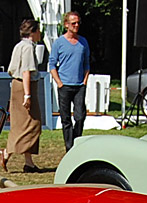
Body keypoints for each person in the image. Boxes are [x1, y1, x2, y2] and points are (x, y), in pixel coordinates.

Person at [0, 19, 43, 173]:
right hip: (24, 86)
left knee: (22, 123)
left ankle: (29, 163)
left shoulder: (20, 45)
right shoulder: (28, 48)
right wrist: (28, 95)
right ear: (33, 32)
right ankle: (7, 153)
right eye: (38, 30)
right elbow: (26, 71)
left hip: (18, 86)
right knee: (33, 124)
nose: (40, 33)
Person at [49, 11, 91, 150]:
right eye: (73, 23)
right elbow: (52, 65)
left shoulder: (83, 42)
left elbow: (86, 64)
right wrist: (59, 83)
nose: (76, 25)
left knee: (80, 117)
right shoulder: (59, 43)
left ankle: (77, 142)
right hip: (65, 86)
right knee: (65, 119)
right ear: (66, 25)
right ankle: (69, 147)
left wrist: (85, 81)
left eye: (78, 22)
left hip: (79, 86)